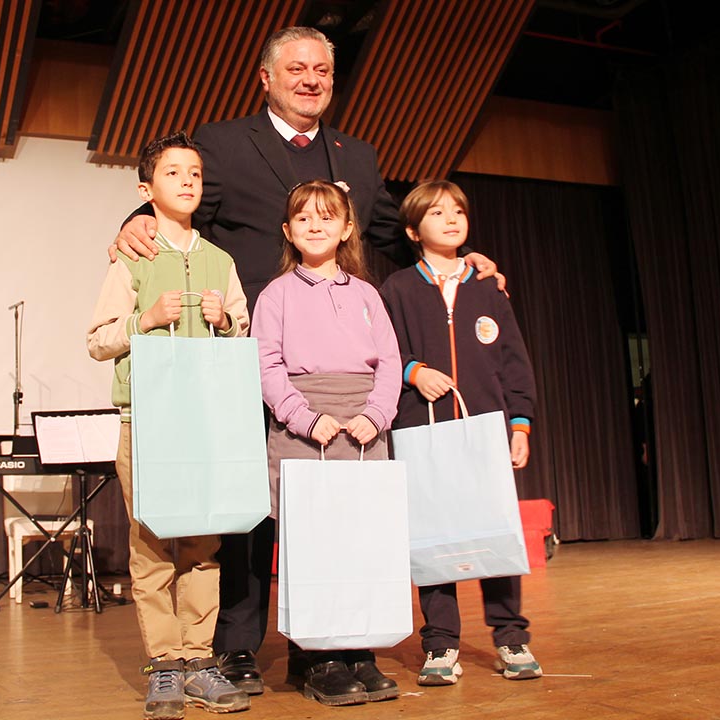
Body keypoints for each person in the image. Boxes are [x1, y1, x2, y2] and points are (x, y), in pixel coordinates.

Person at [109, 26, 501, 693]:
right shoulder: (225, 143)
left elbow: (391, 232)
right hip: (247, 357)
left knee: (335, 519)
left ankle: (326, 642)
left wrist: (454, 258)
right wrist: (134, 219)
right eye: (296, 68)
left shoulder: (361, 156)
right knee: (248, 509)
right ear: (265, 77)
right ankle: (235, 646)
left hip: (341, 378)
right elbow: (178, 196)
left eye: (322, 68)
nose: (310, 78)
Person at [87, 132, 252, 719]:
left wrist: (226, 318)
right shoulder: (131, 256)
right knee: (153, 542)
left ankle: (199, 659)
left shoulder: (220, 260)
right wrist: (145, 320)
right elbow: (97, 340)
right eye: (174, 172)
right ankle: (164, 666)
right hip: (149, 421)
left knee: (204, 544)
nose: (187, 181)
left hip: (204, 422)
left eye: (195, 173)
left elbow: (242, 330)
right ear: (146, 188)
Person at [378, 180, 541, 687]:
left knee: (496, 530)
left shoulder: (488, 285)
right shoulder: (398, 289)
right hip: (422, 429)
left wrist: (520, 422)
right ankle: (441, 644)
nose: (450, 219)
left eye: (457, 211)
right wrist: (414, 371)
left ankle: (511, 635)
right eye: (436, 212)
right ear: (412, 230)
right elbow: (384, 354)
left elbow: (513, 360)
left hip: (486, 428)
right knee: (434, 537)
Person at [253, 180, 402, 706]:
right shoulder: (276, 295)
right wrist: (301, 416)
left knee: (360, 545)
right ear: (288, 231)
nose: (315, 225)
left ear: (346, 229)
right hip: (304, 429)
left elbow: (389, 361)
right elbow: (267, 366)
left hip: (363, 428)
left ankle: (360, 650)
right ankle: (319, 657)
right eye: (303, 217)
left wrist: (378, 414)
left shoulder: (367, 294)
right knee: (311, 547)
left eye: (326, 216)